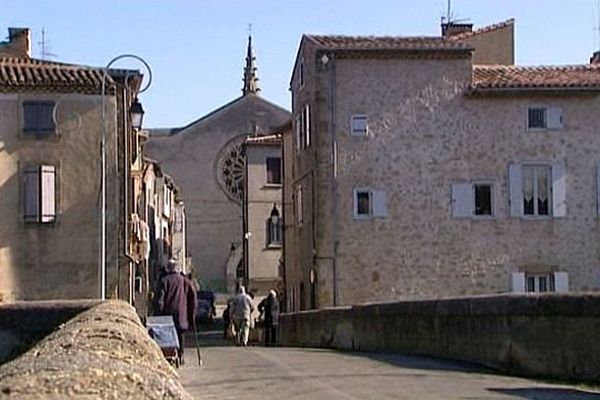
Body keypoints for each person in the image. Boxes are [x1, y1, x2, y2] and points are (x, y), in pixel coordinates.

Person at [155, 259, 196, 364]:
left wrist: (158, 313)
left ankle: (171, 355)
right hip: (181, 314)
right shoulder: (184, 281)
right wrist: (191, 313)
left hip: (167, 315)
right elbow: (193, 297)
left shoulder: (164, 281)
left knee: (168, 338)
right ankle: (181, 355)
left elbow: (160, 300)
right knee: (180, 335)